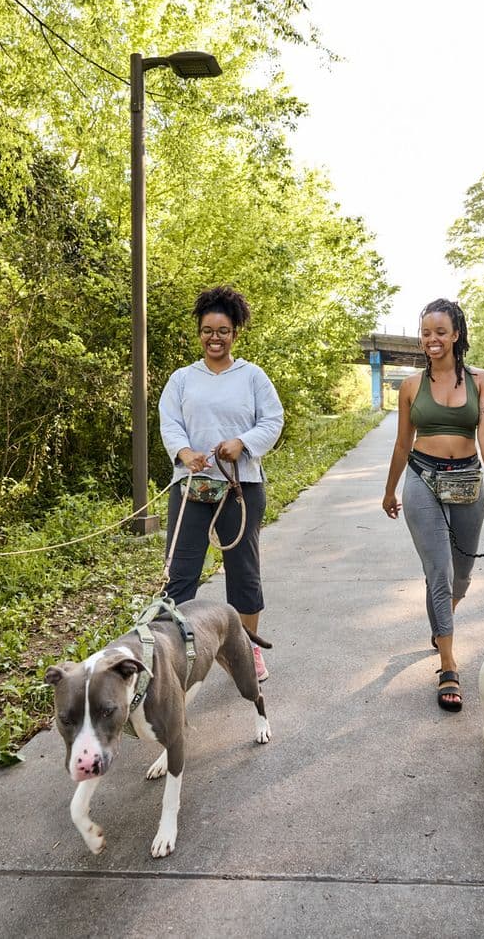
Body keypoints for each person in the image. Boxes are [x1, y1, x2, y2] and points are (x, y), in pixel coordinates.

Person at [382, 297, 484, 711]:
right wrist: (389, 490)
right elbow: (403, 442)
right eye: (425, 333)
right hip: (422, 479)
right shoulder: (412, 386)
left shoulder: (482, 380)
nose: (431, 340)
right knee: (439, 571)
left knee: (462, 575)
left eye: (439, 332)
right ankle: (448, 665)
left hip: (468, 480)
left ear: (456, 334)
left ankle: (442, 623)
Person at [159, 284, 284, 681]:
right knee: (180, 572)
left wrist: (242, 443)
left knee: (243, 571)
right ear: (199, 333)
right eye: (208, 330)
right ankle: (174, 654)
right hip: (192, 488)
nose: (215, 338)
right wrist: (183, 453)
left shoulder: (252, 377)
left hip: (239, 488)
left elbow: (272, 420)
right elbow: (170, 423)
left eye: (223, 330)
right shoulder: (181, 379)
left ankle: (247, 650)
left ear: (235, 333)